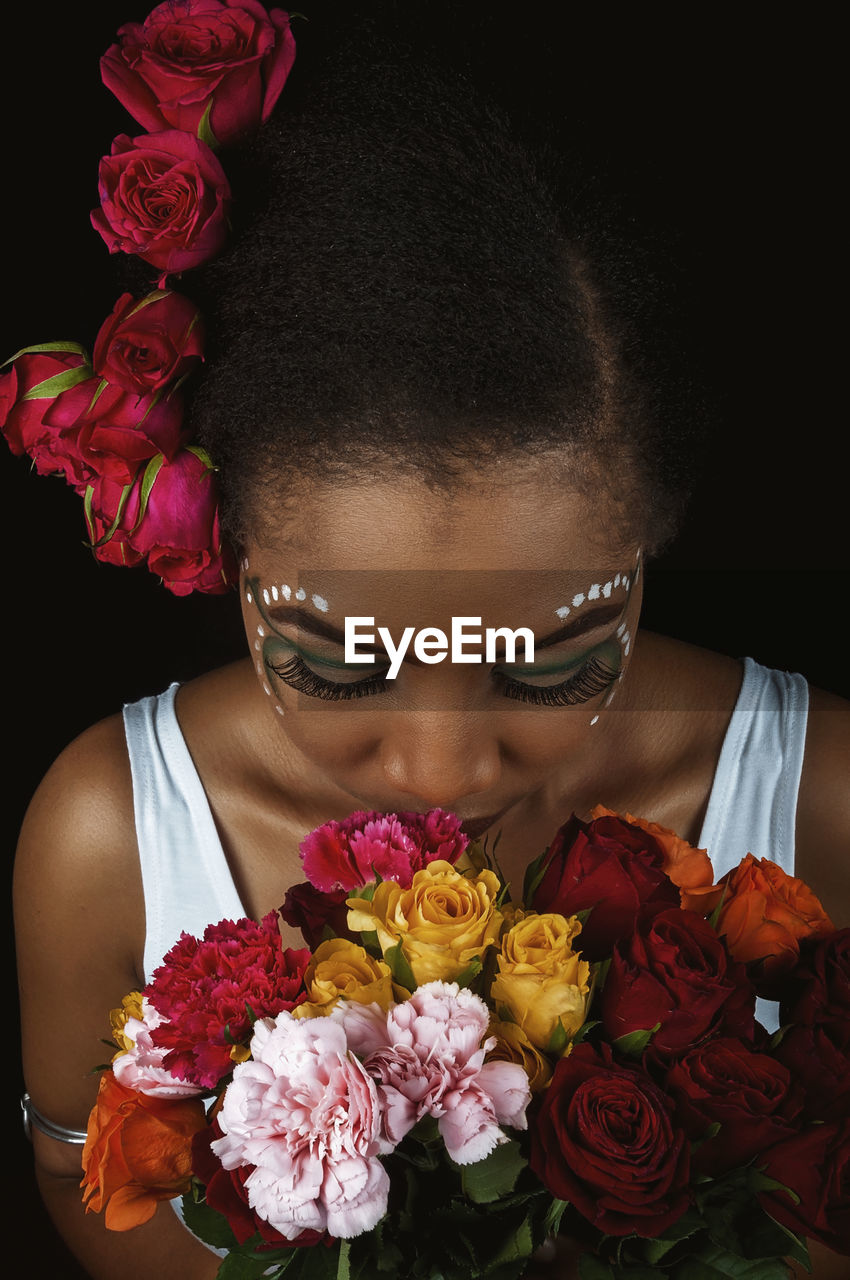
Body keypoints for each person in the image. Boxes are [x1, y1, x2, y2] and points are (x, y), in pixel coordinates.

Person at [7, 6, 848, 1279]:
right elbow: (82, 1172)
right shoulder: (106, 836)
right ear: (225, 552)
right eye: (342, 661)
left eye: (545, 657)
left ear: (653, 538)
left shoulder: (828, 800)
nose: (445, 769)